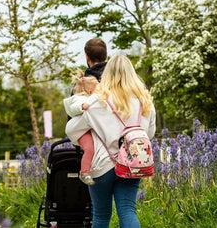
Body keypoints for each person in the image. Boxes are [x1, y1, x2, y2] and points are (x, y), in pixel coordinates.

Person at [66, 54, 156, 228]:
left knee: (101, 215)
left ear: (107, 74)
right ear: (132, 73)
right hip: (132, 163)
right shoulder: (145, 100)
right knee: (128, 210)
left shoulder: (99, 100)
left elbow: (71, 130)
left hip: (102, 164)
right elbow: (149, 133)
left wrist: (92, 134)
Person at [63, 70, 99, 185]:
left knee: (93, 149)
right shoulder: (80, 98)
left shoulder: (89, 97)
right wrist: (82, 106)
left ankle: (90, 169)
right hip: (81, 132)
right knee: (90, 149)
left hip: (85, 129)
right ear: (89, 91)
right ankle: (84, 172)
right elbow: (73, 107)